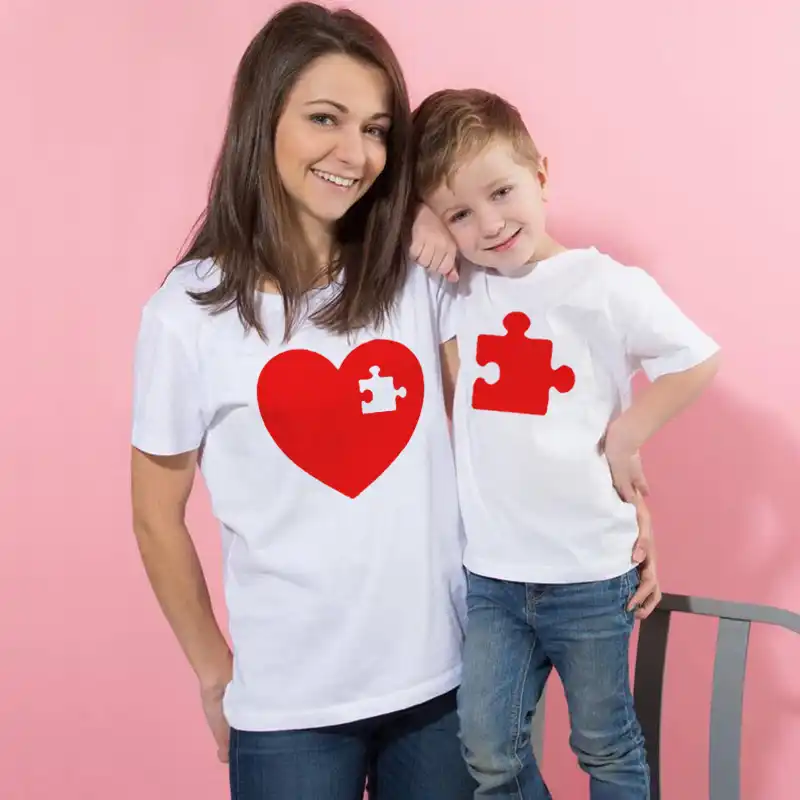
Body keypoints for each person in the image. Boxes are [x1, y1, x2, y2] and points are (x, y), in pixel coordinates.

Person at [130, 3, 659, 799]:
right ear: (259, 119)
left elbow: (521, 415)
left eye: (377, 129)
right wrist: (214, 670)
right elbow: (153, 514)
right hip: (288, 706)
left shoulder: (422, 274)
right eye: (324, 119)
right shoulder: (186, 314)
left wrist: (619, 501)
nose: (356, 152)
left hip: (442, 683)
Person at [410, 87, 721, 799]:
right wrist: (418, 214)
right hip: (492, 578)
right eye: (461, 213)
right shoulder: (462, 290)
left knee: (604, 745)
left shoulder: (603, 284)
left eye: (502, 192)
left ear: (541, 175)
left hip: (588, 574)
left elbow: (698, 358)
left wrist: (627, 435)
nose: (488, 225)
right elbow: (373, 219)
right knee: (486, 747)